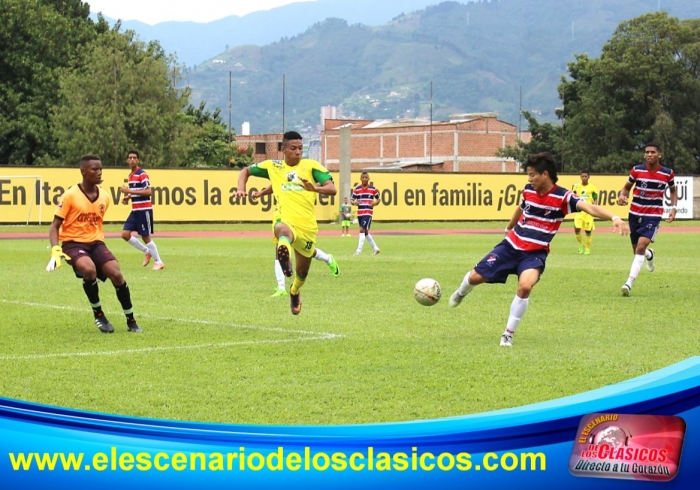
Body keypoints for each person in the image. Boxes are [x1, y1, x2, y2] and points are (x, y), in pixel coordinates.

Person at [448, 152, 628, 347]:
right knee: (475, 277)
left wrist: (614, 217)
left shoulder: (563, 197)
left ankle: (508, 334)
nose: (529, 178)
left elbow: (589, 207)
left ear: (545, 174)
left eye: (532, 174)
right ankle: (461, 292)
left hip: (534, 253)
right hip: (511, 245)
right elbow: (521, 208)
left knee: (525, 286)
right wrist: (509, 227)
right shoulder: (528, 190)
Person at [235, 131, 337, 314]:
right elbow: (245, 171)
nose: (298, 152)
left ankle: (294, 290)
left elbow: (332, 188)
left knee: (303, 273)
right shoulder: (273, 166)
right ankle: (285, 258)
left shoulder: (311, 166)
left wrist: (315, 187)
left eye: (300, 148)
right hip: (284, 218)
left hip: (306, 226)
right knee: (282, 230)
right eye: (293, 148)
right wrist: (241, 188)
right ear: (283, 150)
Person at [46, 155, 143, 334]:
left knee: (116, 274)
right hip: (73, 243)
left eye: (100, 169)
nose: (99, 172)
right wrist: (55, 249)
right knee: (89, 270)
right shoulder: (70, 195)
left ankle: (131, 319)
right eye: (94, 169)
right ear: (83, 171)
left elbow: (96, 224)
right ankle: (99, 314)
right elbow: (55, 226)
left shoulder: (104, 197)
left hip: (96, 242)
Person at [250, 185, 340, 297]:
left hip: (299, 220)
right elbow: (275, 183)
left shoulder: (300, 174)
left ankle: (328, 258)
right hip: (282, 217)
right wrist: (261, 193)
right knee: (279, 249)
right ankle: (281, 287)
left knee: (307, 252)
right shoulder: (280, 172)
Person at [616, 142, 677, 297]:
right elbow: (626, 188)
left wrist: (674, 208)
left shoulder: (667, 173)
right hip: (635, 213)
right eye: (647, 152)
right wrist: (622, 196)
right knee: (637, 250)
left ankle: (628, 283)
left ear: (659, 155)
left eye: (652, 152)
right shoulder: (636, 170)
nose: (649, 155)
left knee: (640, 247)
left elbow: (673, 190)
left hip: (654, 214)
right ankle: (650, 255)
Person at [119, 150, 165, 270]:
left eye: (135, 158)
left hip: (144, 210)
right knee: (125, 234)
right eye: (130, 158)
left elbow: (148, 191)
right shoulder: (131, 176)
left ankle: (159, 261)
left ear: (138, 160)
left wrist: (129, 191)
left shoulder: (142, 174)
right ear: (127, 160)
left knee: (145, 236)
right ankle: (147, 251)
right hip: (135, 210)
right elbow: (137, 190)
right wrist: (128, 197)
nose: (132, 159)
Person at [351, 172, 381, 255]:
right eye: (363, 177)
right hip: (360, 213)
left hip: (368, 212)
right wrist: (354, 202)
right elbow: (352, 200)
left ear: (369, 179)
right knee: (365, 232)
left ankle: (358, 250)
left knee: (361, 230)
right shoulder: (357, 189)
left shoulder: (373, 189)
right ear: (360, 178)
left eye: (366, 177)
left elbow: (378, 199)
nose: (364, 179)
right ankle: (375, 248)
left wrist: (374, 203)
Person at [571, 170, 599, 254]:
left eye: (585, 176)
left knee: (588, 231)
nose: (584, 178)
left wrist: (594, 208)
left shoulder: (593, 187)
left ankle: (587, 248)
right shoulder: (576, 187)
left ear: (588, 177)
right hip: (579, 211)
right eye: (582, 176)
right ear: (580, 177)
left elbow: (595, 199)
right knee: (576, 229)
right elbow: (573, 197)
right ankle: (581, 245)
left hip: (588, 211)